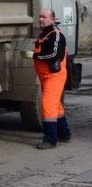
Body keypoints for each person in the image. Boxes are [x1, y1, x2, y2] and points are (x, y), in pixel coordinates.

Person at [24, 8, 71, 149]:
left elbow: (54, 55)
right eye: (39, 17)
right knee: (55, 106)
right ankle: (64, 134)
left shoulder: (56, 35)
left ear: (52, 19)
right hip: (46, 76)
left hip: (54, 76)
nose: (40, 19)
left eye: (44, 17)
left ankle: (50, 139)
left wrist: (33, 55)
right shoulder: (46, 34)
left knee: (48, 105)